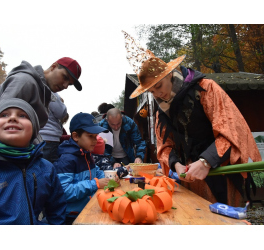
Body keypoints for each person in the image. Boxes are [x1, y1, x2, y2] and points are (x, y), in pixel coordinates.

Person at [122, 31, 261, 206]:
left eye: (159, 86)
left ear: (169, 74)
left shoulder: (205, 89)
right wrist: (176, 165)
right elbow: (163, 147)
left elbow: (231, 130)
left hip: (221, 170)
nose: (158, 94)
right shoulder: (160, 111)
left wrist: (206, 161)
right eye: (152, 92)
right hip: (191, 178)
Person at [0, 98, 67, 224]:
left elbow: (57, 210)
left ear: (34, 129)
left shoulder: (46, 169)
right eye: (4, 115)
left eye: (23, 115)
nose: (12, 118)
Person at [0, 57, 82, 147]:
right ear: (54, 66)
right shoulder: (26, 82)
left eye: (69, 84)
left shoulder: (43, 91)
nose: (65, 86)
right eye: (65, 77)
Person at [53, 112, 111, 225]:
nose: (95, 140)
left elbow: (96, 171)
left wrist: (109, 178)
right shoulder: (67, 160)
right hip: (71, 216)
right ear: (75, 136)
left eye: (96, 136)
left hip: (87, 209)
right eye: (90, 136)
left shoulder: (86, 153)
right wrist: (96, 184)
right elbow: (65, 192)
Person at [39, 93, 67, 163]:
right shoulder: (51, 92)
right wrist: (60, 102)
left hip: (36, 137)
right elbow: (61, 112)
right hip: (49, 138)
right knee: (49, 166)